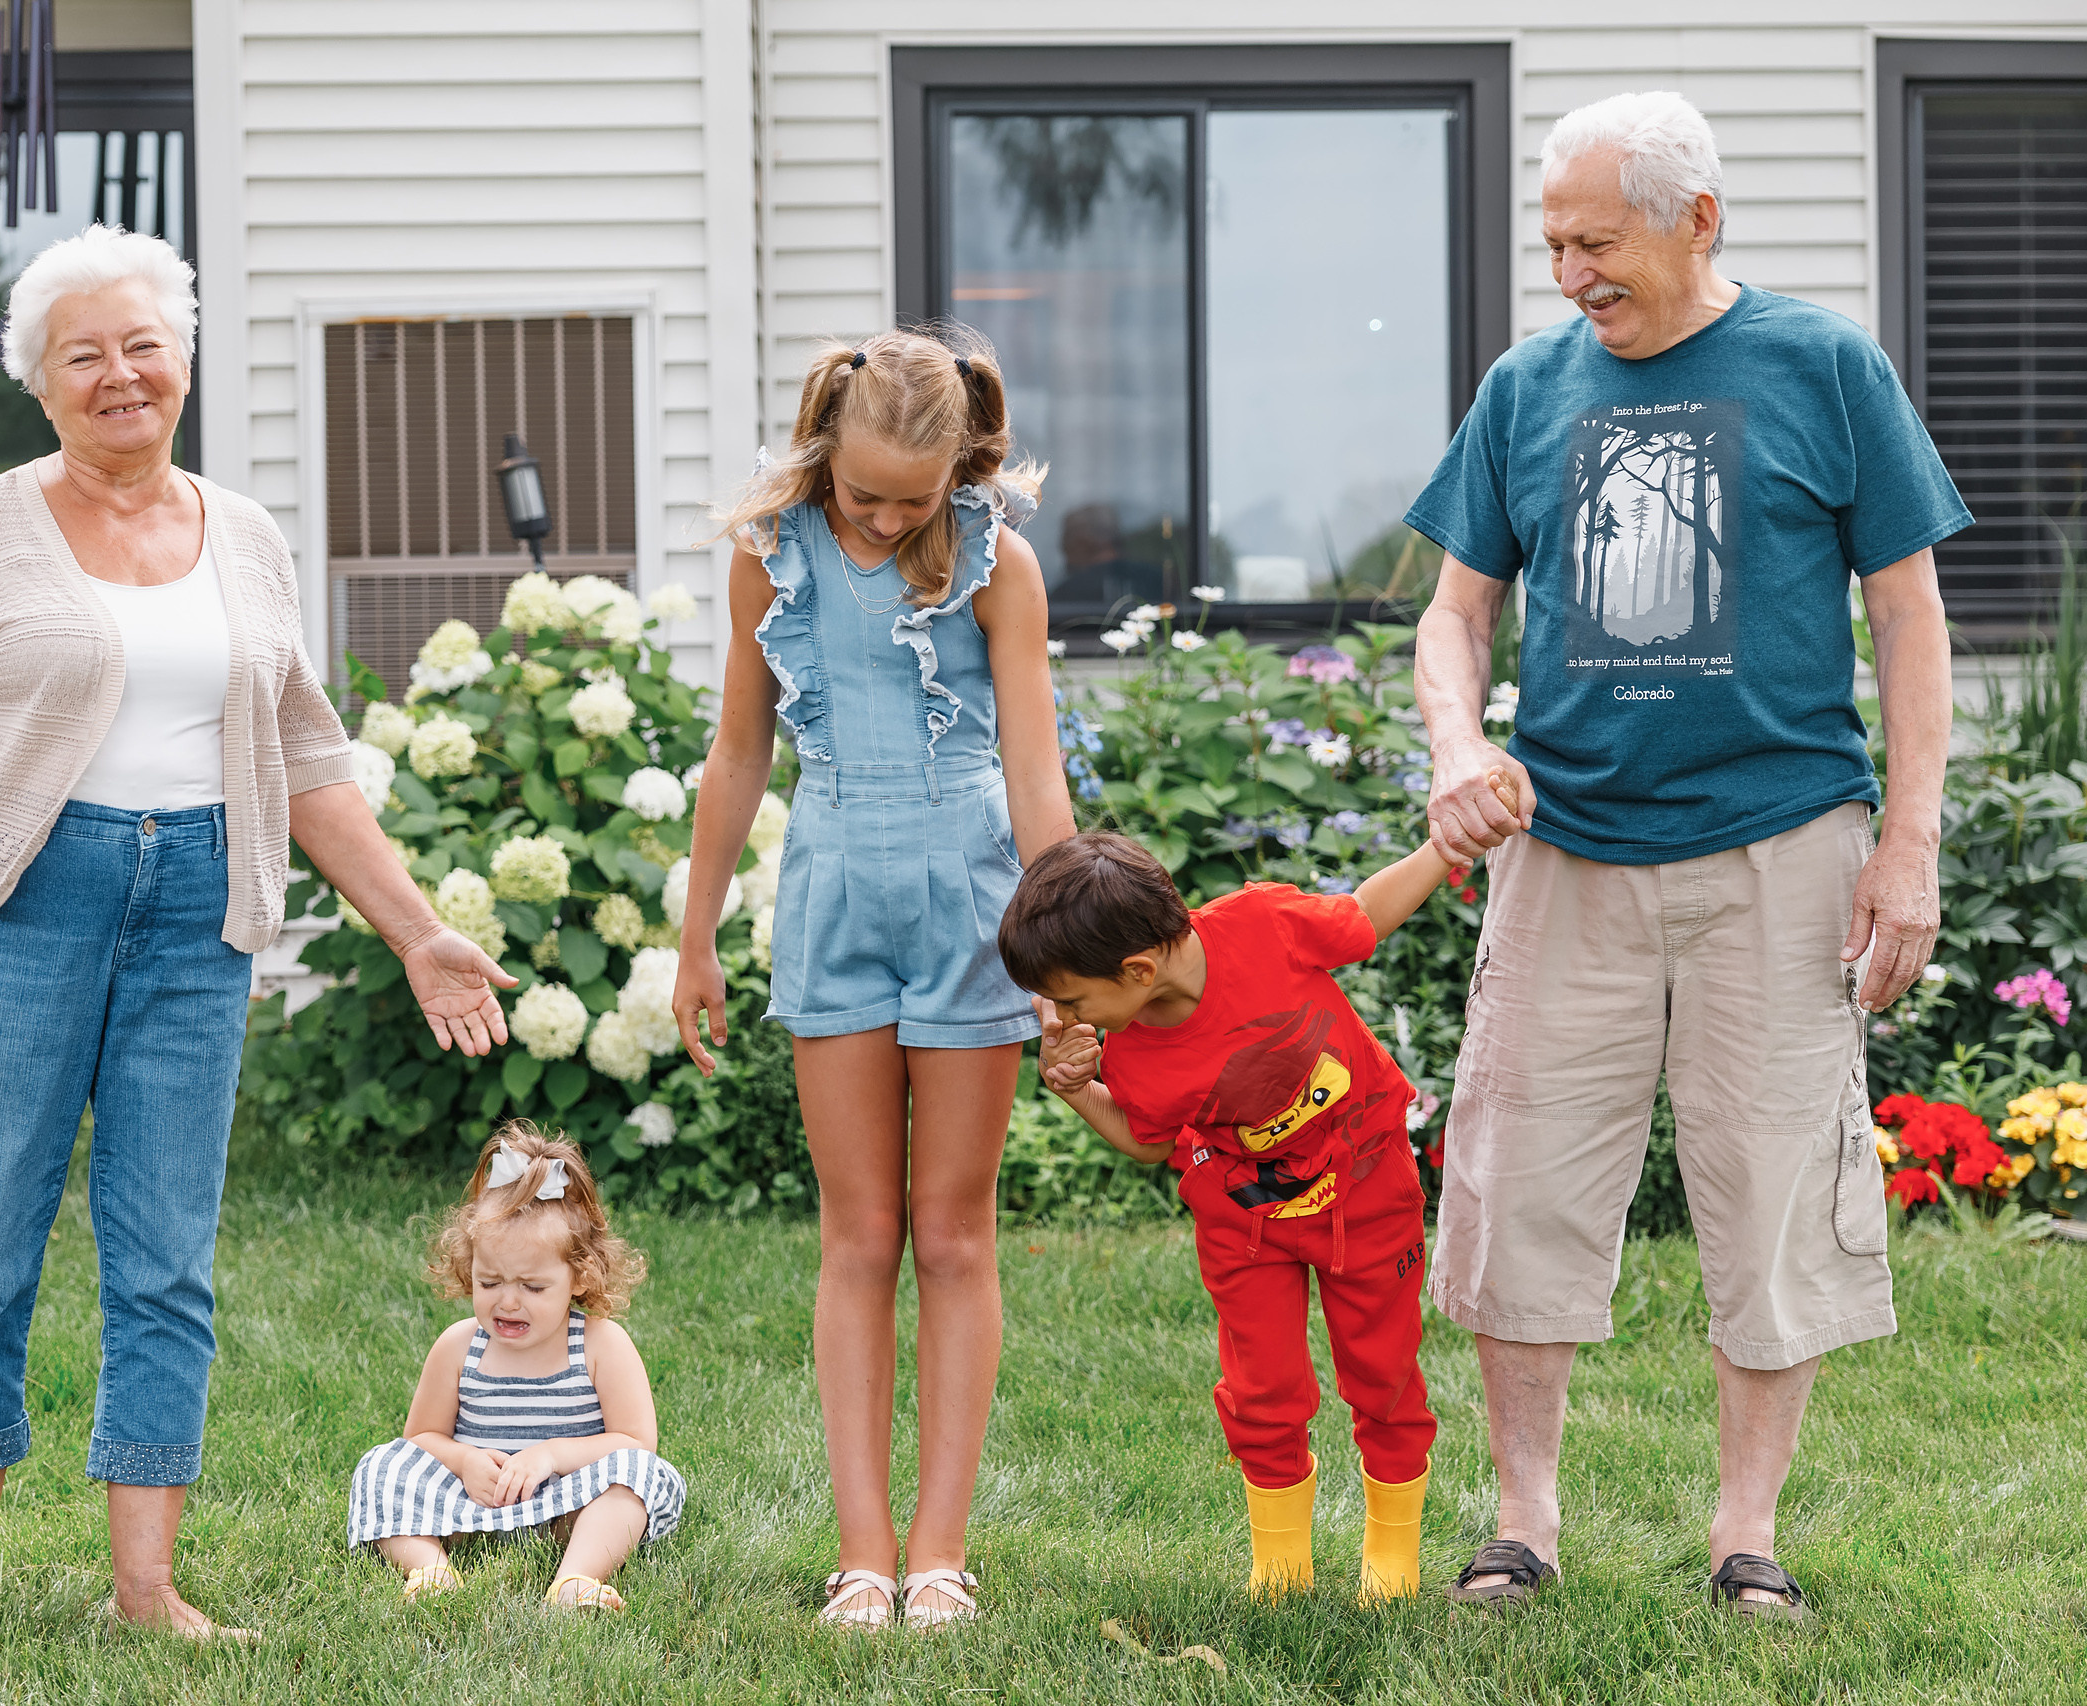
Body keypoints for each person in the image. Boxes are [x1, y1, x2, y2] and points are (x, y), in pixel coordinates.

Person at [0, 224, 518, 1646]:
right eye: (85, 356)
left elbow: (307, 755)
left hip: (199, 910)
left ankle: (148, 1587)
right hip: (14, 906)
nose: (121, 374)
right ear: (39, 382)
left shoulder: (246, 537)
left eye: (144, 344)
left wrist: (417, 929)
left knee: (164, 1260)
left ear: (183, 356)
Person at [1404, 91, 1965, 1616]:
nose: (1571, 273)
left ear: (1697, 220)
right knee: (1521, 1177)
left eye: (1598, 242)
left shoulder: (1824, 365)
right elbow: (1455, 614)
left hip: (1782, 842)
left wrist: (1908, 840)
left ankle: (1744, 1534)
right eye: (1555, 245)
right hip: (1566, 846)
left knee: (1773, 1180)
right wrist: (1457, 749)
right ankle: (1522, 1520)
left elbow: (1908, 615)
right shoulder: (1526, 387)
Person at [670, 326, 1074, 1629]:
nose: (889, 519)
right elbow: (739, 752)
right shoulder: (768, 557)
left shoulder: (1001, 566)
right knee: (858, 1237)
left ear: (961, 468)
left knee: (952, 1235)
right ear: (824, 451)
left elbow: (1034, 772)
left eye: (915, 498)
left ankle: (939, 1551)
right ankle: (861, 1553)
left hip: (969, 900)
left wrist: (1061, 951)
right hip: (833, 889)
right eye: (864, 496)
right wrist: (696, 933)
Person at [1002, 819, 1509, 1604]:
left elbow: (1362, 918)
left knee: (1382, 1373)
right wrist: (1075, 1089)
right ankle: (1279, 1566)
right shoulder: (1131, 1049)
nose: (1066, 1017)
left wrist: (1446, 849)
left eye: (1072, 999)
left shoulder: (1263, 924)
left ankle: (1391, 1549)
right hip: (1243, 1218)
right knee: (1261, 1387)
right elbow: (1146, 1138)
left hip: (1366, 1189)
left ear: (1137, 970)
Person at [347, 1123, 684, 1610]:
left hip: (567, 1507)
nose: (508, 1302)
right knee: (381, 1466)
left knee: (640, 1474)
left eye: (532, 1287)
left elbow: (635, 1442)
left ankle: (576, 1579)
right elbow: (421, 1438)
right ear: (469, 1267)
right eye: (490, 1282)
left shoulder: (600, 1344)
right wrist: (465, 1462)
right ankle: (431, 1570)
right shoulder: (459, 1346)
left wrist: (550, 1455)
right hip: (471, 1504)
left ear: (579, 1276)